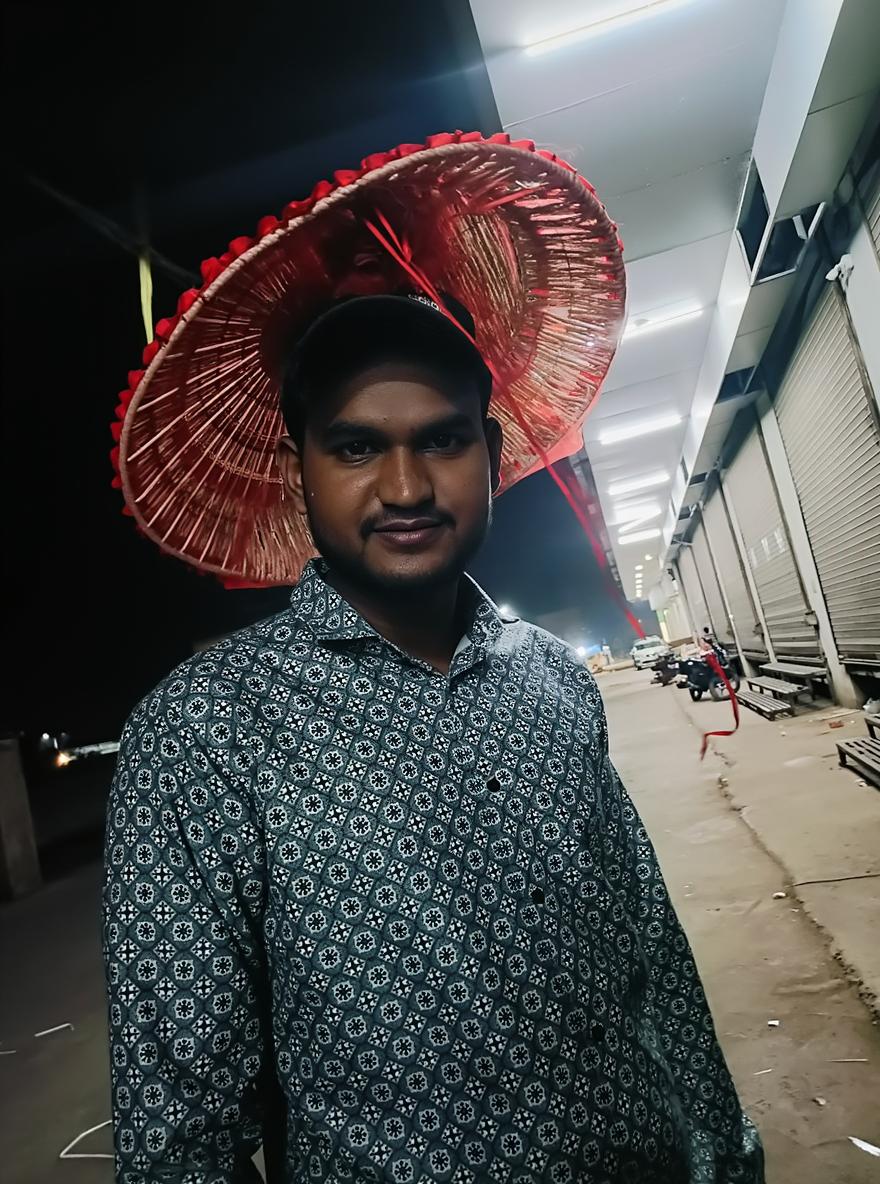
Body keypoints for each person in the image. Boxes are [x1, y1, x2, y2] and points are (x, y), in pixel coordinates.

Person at [103, 133, 763, 1183]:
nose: (406, 486)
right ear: (301, 468)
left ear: (493, 458)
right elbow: (182, 1129)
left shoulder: (553, 679)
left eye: (443, 439)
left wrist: (727, 1154)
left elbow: (653, 955)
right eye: (357, 445)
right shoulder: (204, 735)